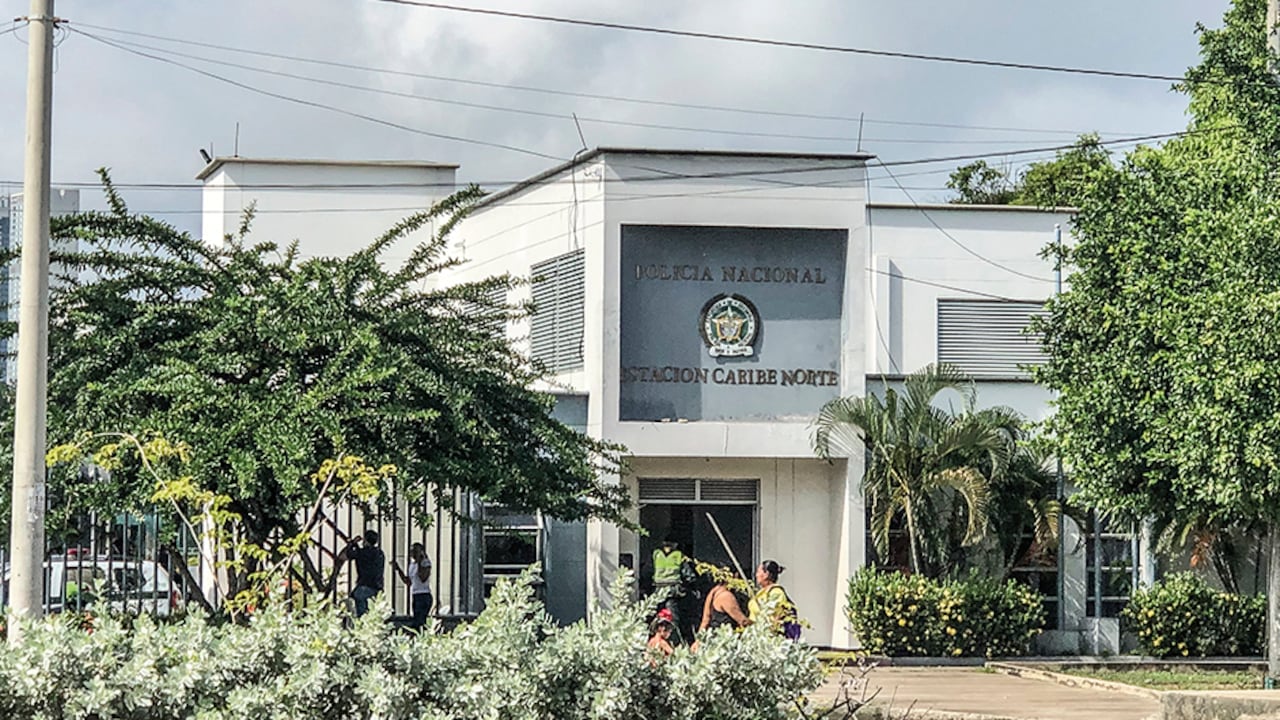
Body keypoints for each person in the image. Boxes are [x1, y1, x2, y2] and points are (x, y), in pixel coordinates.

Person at [336, 530, 385, 617]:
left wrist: (352, 543)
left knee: (360, 613)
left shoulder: (361, 552)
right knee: (372, 614)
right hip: (377, 587)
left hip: (363, 586)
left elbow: (342, 556)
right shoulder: (380, 553)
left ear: (365, 540)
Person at [749, 560, 800, 640]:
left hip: (768, 636)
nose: (756, 575)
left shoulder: (776, 593)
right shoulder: (761, 592)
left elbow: (775, 616)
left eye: (758, 572)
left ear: (766, 574)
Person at [393, 542, 434, 629]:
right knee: (416, 619)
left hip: (424, 595)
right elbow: (408, 582)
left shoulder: (425, 563)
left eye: (415, 551)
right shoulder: (412, 565)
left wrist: (420, 561)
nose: (412, 553)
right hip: (416, 595)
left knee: (420, 621)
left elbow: (423, 578)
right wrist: (398, 569)